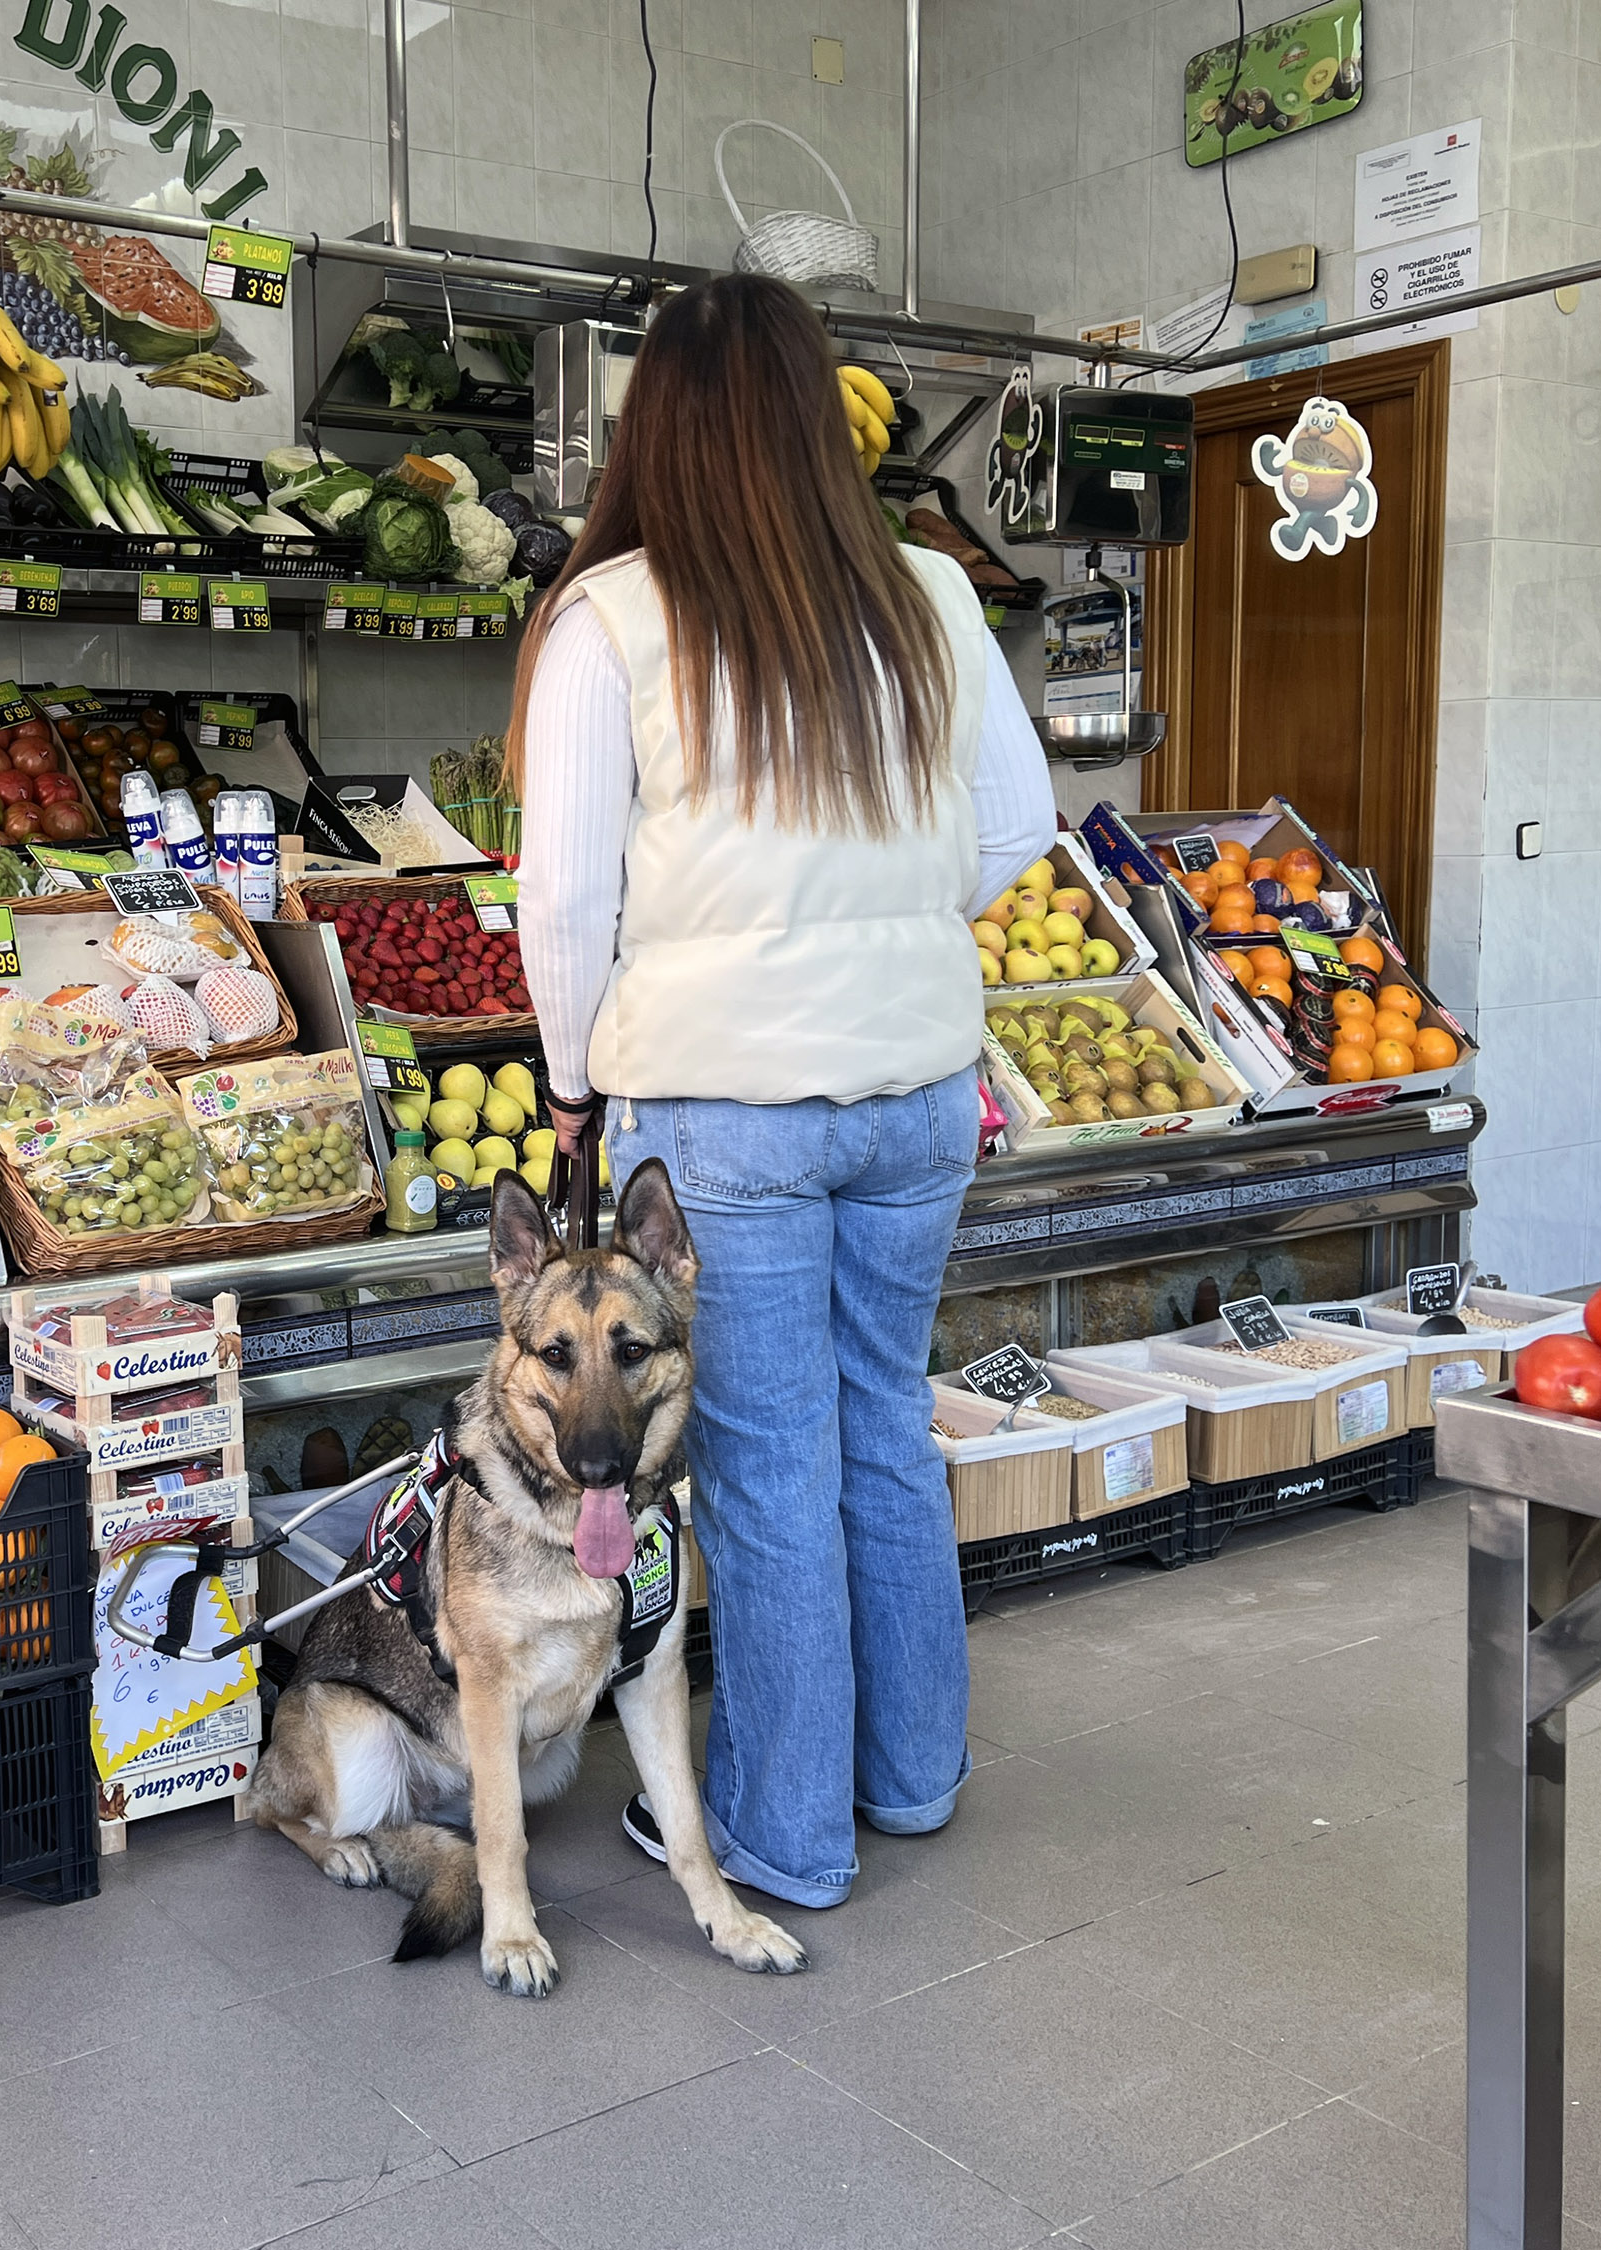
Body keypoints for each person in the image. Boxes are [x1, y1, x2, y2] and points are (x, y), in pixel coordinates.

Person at [509, 273, 1057, 1915]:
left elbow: (560, 899)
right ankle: (912, 1779)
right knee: (885, 1423)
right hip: (917, 1091)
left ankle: (782, 1834)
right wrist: (886, 930)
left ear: (652, 425)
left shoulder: (612, 617)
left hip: (724, 1098)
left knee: (761, 1464)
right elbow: (1018, 827)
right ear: (824, 420)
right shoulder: (932, 599)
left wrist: (565, 1082)